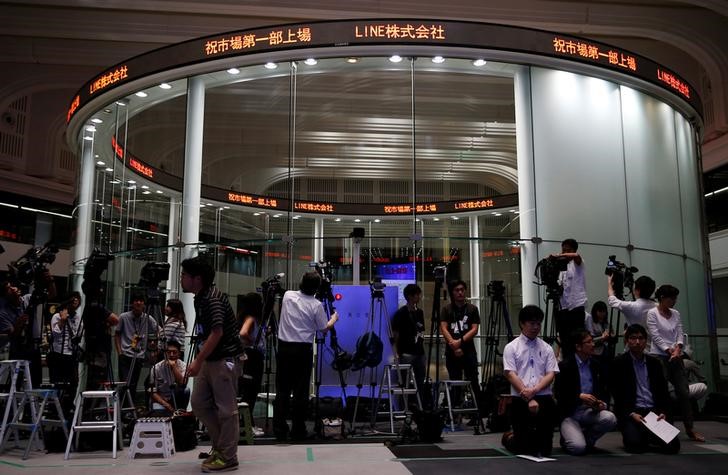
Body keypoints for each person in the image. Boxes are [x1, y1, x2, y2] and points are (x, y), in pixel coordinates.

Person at [182, 256, 244, 472]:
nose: (182, 279)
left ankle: (228, 457)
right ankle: (221, 447)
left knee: (227, 410)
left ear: (196, 279)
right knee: (199, 403)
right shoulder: (201, 297)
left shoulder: (212, 299)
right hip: (211, 359)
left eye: (184, 275)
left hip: (224, 360)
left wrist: (197, 361)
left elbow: (217, 332)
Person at [274, 271, 338, 442]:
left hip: (285, 348)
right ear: (317, 287)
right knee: (301, 392)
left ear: (301, 282)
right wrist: (334, 318)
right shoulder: (316, 305)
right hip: (303, 350)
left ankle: (279, 429)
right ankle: (298, 430)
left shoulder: (288, 296)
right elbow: (323, 328)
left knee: (282, 390)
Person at [646, 284, 704, 442]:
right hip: (659, 356)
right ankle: (661, 428)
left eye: (675, 298)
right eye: (672, 298)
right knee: (661, 393)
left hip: (676, 356)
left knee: (684, 392)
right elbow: (655, 335)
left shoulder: (676, 313)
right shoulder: (652, 313)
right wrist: (668, 350)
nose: (674, 301)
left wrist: (678, 349)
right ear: (662, 298)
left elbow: (680, 332)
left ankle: (690, 428)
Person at [610, 324, 680, 454]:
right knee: (635, 446)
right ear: (626, 341)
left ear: (646, 341)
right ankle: (645, 434)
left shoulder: (654, 364)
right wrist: (631, 414)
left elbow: (663, 392)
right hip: (633, 412)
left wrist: (663, 412)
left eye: (641, 338)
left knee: (673, 447)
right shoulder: (619, 363)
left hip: (654, 413)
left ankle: (649, 434)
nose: (637, 342)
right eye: (633, 338)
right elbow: (617, 394)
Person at [502, 305, 559, 457]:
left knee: (545, 450)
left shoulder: (547, 348)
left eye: (538, 323)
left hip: (543, 397)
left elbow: (550, 374)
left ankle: (535, 438)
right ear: (522, 323)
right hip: (520, 398)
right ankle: (509, 437)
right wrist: (527, 396)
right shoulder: (511, 347)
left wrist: (534, 391)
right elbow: (510, 374)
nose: (536, 327)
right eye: (532, 323)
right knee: (523, 449)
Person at [555, 329, 616, 455]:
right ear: (578, 346)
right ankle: (572, 437)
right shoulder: (565, 366)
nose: (593, 344)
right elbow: (559, 394)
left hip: (589, 411)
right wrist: (579, 397)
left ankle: (587, 439)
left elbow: (603, 390)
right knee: (577, 448)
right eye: (588, 342)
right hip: (571, 413)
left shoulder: (596, 365)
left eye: (592, 341)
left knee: (610, 418)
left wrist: (600, 404)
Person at [439, 279, 482, 420]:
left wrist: (460, 342)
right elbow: (443, 327)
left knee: (473, 381)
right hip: (452, 351)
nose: (460, 292)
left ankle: (477, 415)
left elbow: (475, 329)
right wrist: (452, 343)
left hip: (468, 350)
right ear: (452, 292)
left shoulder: (472, 309)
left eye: (462, 290)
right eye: (457, 290)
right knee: (454, 381)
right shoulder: (447, 309)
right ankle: (454, 414)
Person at [114, 294, 161, 402]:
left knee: (134, 384)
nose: (138, 303)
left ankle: (130, 409)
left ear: (144, 304)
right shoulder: (123, 317)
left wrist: (155, 347)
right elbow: (117, 334)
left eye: (140, 301)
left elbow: (159, 330)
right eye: (136, 300)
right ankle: (122, 409)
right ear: (132, 303)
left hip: (139, 356)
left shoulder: (147, 318)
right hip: (125, 355)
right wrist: (119, 352)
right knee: (125, 383)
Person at [391, 283, 426, 404]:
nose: (419, 297)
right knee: (404, 381)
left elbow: (421, 330)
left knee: (420, 381)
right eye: (416, 294)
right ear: (410, 296)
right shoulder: (401, 313)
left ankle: (420, 404)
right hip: (406, 352)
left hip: (419, 352)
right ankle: (403, 406)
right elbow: (395, 335)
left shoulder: (419, 312)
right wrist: (396, 353)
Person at [238, 292, 265, 432]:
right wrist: (252, 342)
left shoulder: (246, 317)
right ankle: (248, 426)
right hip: (253, 357)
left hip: (250, 356)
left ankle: (248, 424)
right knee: (251, 392)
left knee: (249, 392)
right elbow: (243, 333)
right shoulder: (251, 318)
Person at [555, 238, 587, 358]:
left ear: (573, 250)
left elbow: (576, 256)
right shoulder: (561, 267)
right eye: (563, 250)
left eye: (567, 250)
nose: (564, 253)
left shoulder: (578, 264)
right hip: (563, 308)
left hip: (576, 308)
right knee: (565, 343)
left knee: (577, 341)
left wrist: (557, 256)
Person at [48, 292, 83, 387]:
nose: (76, 300)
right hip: (58, 353)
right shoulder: (57, 316)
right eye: (73, 298)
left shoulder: (78, 317)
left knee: (74, 382)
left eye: (77, 299)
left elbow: (79, 335)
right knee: (58, 382)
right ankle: (58, 401)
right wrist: (62, 321)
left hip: (72, 354)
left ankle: (69, 401)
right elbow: (54, 334)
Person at [150, 339, 189, 414]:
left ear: (179, 354)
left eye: (174, 352)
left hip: (176, 398)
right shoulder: (156, 368)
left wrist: (174, 366)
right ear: (164, 353)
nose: (171, 355)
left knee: (186, 390)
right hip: (162, 399)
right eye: (169, 352)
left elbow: (182, 384)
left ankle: (181, 415)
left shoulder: (183, 366)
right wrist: (166, 404)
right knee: (160, 413)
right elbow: (153, 392)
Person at [584, 300, 612, 369]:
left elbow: (610, 334)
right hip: (594, 352)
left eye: (604, 311)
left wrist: (610, 335)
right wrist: (602, 337)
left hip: (605, 352)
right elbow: (590, 339)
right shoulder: (590, 319)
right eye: (600, 311)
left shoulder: (605, 322)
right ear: (595, 311)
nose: (602, 314)